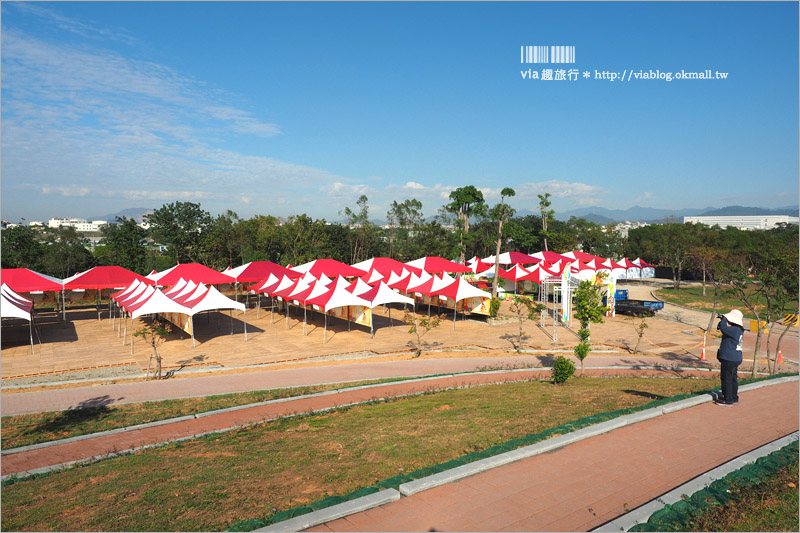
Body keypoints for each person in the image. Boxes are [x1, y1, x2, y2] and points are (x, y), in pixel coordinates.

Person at [715, 309, 744, 406]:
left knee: (726, 378)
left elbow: (723, 328)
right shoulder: (738, 330)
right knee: (732, 378)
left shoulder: (734, 330)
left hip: (729, 358)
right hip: (735, 357)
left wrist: (723, 319)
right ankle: (734, 397)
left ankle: (728, 399)